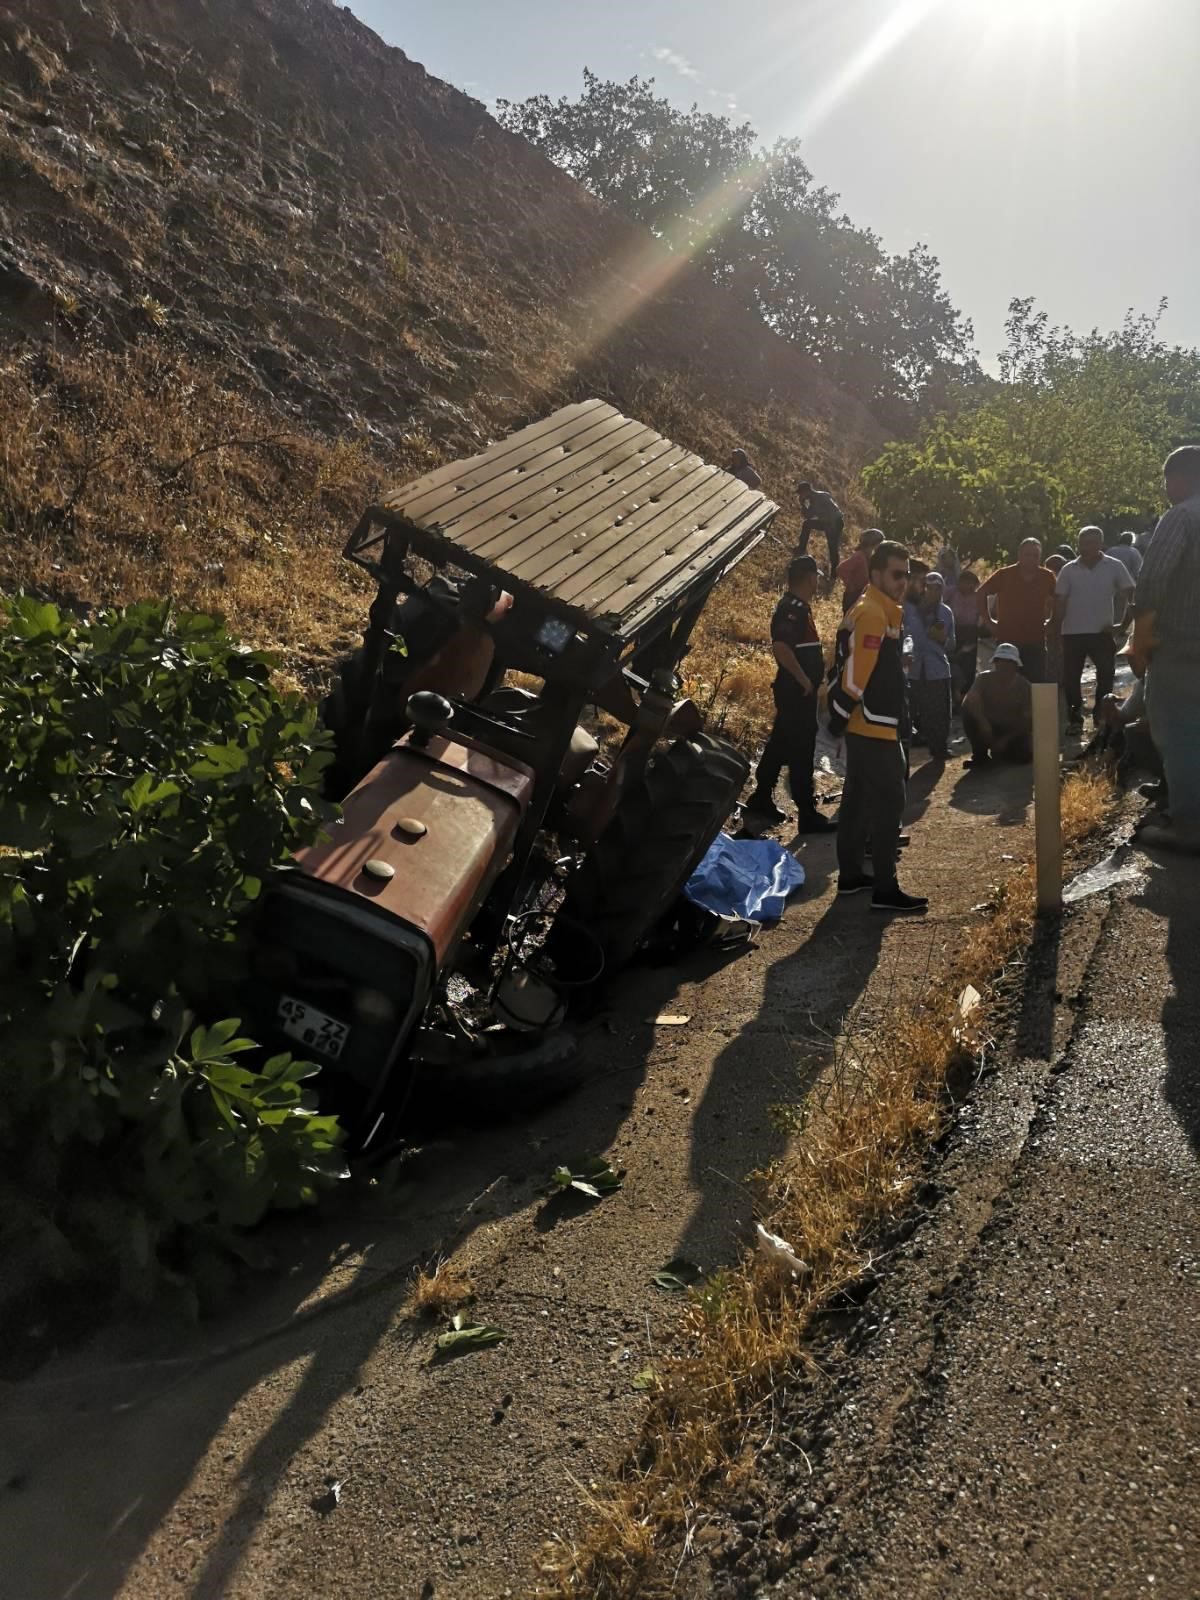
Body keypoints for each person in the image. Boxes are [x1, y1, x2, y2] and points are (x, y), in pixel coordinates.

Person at [828, 539, 927, 915]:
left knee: (856, 803)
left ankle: (852, 876)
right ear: (876, 574)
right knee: (890, 803)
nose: (903, 582)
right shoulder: (872, 612)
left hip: (869, 721)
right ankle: (885, 888)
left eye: (906, 575)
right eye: (896, 574)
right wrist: (840, 717)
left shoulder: (877, 608)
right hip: (873, 723)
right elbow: (856, 674)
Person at [1131, 444, 1200, 851]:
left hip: (1183, 650)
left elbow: (1153, 582)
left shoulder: (1182, 517)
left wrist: (1140, 643)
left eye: (1166, 481)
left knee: (1179, 732)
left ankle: (1188, 824)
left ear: (1179, 478)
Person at [745, 555, 837, 833]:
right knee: (801, 750)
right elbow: (781, 647)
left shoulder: (799, 608)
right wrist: (804, 680)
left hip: (796, 692)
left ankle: (761, 797)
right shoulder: (791, 610)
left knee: (780, 744)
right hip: (797, 693)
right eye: (816, 577)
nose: (818, 581)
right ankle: (807, 814)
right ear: (810, 578)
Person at [1055, 525, 1136, 733]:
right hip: (1072, 632)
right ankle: (1075, 719)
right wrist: (1055, 627)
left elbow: (1132, 595)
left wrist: (1122, 626)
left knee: (1106, 675)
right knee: (1071, 678)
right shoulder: (1068, 569)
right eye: (1082, 543)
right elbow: (1060, 602)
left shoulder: (1114, 566)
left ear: (1100, 544)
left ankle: (1101, 716)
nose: (1085, 547)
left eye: (1091, 543)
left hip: (1102, 632)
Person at [975, 537, 1056, 681]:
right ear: (1019, 555)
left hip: (1035, 639)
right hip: (1007, 639)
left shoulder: (1047, 576)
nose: (1031, 559)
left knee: (1036, 683)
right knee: (1005, 682)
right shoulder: (1004, 575)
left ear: (1040, 557)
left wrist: (1053, 621)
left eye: (1035, 555)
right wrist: (988, 622)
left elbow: (1059, 599)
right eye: (1027, 554)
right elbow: (981, 593)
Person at [904, 570, 956, 761]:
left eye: (938, 588)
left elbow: (952, 644)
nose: (933, 592)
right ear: (923, 589)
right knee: (907, 712)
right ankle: (903, 751)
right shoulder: (908, 610)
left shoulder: (946, 612)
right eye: (929, 587)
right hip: (912, 669)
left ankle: (939, 749)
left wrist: (943, 638)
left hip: (937, 669)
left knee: (939, 713)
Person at [961, 643, 1032, 766]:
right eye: (1000, 661)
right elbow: (969, 701)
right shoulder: (983, 679)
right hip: (987, 727)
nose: (1003, 665)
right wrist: (983, 723)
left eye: (1008, 661)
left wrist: (1006, 739)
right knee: (967, 711)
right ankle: (979, 754)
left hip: (1011, 730)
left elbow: (1027, 720)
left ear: (1015, 665)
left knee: (1024, 757)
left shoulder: (1024, 686)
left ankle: (1002, 752)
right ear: (995, 662)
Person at [796, 480, 844, 576]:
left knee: (833, 548)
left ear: (806, 491)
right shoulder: (822, 494)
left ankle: (834, 574)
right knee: (807, 524)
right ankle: (801, 549)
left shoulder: (816, 500)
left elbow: (809, 515)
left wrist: (802, 504)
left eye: (801, 493)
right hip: (830, 521)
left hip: (833, 524)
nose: (800, 495)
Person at [949, 569, 981, 704]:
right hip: (954, 631)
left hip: (971, 633)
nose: (968, 586)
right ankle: (953, 697)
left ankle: (965, 700)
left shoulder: (978, 597)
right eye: (965, 582)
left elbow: (981, 616)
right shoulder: (952, 593)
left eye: (971, 583)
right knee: (954, 663)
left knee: (968, 666)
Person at [836, 527, 883, 613]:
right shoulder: (859, 556)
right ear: (871, 544)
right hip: (853, 597)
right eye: (878, 545)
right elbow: (841, 569)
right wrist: (851, 586)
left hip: (862, 595)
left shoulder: (869, 558)